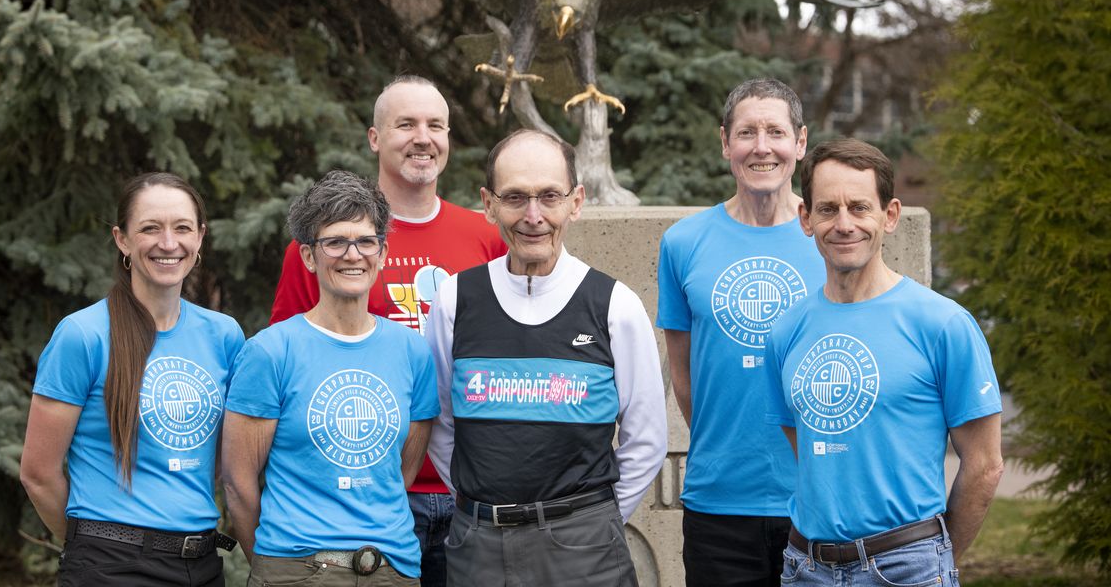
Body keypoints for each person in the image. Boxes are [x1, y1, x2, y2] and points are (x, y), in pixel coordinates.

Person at [268, 75, 504, 586]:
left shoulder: (487, 239)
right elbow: (285, 370)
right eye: (406, 124)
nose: (423, 137)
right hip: (362, 500)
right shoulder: (322, 248)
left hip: (469, 492)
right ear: (375, 138)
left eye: (435, 125)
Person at [426, 129, 667, 587]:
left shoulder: (613, 304)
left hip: (585, 551)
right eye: (515, 197)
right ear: (488, 203)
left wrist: (591, 522)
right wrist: (484, 507)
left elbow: (647, 438)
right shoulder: (455, 299)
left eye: (549, 197)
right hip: (479, 548)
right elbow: (438, 425)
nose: (532, 216)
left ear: (575, 202)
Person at [764, 139, 1004, 586]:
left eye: (859, 207)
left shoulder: (943, 324)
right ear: (805, 218)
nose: (844, 224)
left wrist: (936, 559)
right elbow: (807, 445)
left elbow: (985, 465)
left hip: (906, 566)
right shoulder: (786, 331)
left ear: (889, 215)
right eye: (827, 209)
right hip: (805, 569)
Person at [20, 172, 244, 587]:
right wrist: (90, 547)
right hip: (110, 566)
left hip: (202, 564)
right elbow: (38, 472)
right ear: (122, 239)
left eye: (182, 228)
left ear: (200, 237)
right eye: (150, 229)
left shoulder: (225, 335)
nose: (168, 243)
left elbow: (225, 458)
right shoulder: (83, 335)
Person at [223, 170, 439, 586]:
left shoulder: (412, 351)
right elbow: (238, 482)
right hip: (296, 569)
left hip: (392, 570)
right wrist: (273, 569)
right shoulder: (270, 351)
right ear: (308, 256)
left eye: (364, 241)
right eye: (335, 242)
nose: (352, 254)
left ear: (382, 251)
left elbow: (401, 472)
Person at [656, 78, 825, 587]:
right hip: (718, 503)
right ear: (725, 142)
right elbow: (684, 376)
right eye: (747, 132)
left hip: (816, 500)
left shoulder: (831, 238)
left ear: (799, 142)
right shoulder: (683, 242)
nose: (761, 146)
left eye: (776, 131)